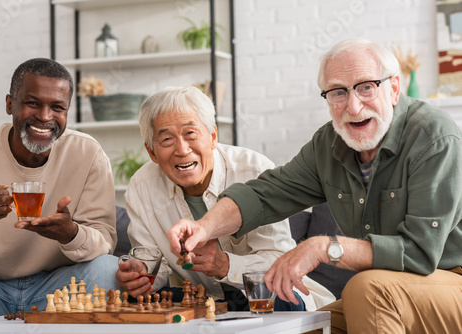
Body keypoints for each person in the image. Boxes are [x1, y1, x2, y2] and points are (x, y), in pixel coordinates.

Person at [167, 38, 462, 333]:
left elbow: (420, 254)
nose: (353, 106)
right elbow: (266, 194)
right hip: (390, 288)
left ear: (394, 88)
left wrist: (325, 247)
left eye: (366, 87)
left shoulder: (433, 136)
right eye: (338, 92)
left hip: (450, 279)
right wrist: (204, 228)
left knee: (366, 289)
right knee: (307, 325)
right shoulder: (329, 144)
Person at [115, 86, 335, 311]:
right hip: (202, 300)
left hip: (266, 294)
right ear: (152, 152)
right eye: (167, 139)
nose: (182, 149)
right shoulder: (141, 187)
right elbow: (155, 263)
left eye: (190, 134)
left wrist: (224, 265)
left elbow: (278, 261)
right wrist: (141, 273)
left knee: (281, 302)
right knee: (134, 301)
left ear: (212, 137)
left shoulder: (254, 171)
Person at [0, 58, 119, 320]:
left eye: (57, 107)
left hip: (57, 292)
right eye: (33, 103)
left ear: (67, 111)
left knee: (107, 270)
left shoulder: (87, 153)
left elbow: (105, 241)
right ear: (10, 104)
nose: (45, 117)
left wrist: (72, 234)